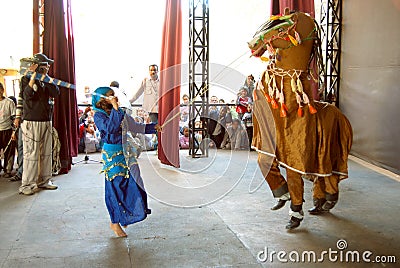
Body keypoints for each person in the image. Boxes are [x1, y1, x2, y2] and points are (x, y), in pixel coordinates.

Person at [93, 86, 158, 237]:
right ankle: (114, 222)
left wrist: (154, 128)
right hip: (112, 156)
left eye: (113, 95)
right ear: (101, 99)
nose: (113, 98)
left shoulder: (120, 112)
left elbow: (135, 126)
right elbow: (111, 129)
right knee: (116, 186)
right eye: (109, 96)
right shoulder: (98, 116)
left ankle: (127, 213)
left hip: (127, 153)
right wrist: (116, 110)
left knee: (134, 182)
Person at [19, 53, 60, 195]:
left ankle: (44, 180)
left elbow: (56, 92)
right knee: (31, 153)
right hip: (32, 121)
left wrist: (46, 78)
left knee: (46, 153)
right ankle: (28, 185)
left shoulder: (46, 81)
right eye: (45, 65)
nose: (48, 67)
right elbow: (27, 95)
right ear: (38, 66)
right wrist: (32, 76)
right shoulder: (25, 79)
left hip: (46, 120)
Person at [0, 83, 16, 178]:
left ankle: (8, 170)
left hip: (7, 129)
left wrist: (14, 132)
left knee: (9, 152)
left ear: (2, 90)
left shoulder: (9, 102)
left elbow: (14, 118)